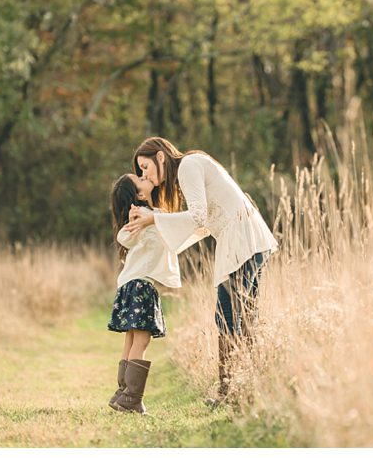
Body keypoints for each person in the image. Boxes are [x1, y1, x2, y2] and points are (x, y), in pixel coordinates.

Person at [126, 135, 279, 405]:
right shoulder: (192, 166)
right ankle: (242, 390)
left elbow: (197, 217)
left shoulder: (188, 165)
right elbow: (203, 224)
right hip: (248, 239)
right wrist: (156, 220)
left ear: (160, 157)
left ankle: (229, 392)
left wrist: (154, 218)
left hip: (241, 240)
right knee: (241, 319)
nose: (144, 174)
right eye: (140, 171)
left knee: (229, 316)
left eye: (145, 166)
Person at [107, 170, 180, 414]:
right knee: (142, 339)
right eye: (139, 179)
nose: (144, 176)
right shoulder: (151, 215)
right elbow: (173, 222)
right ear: (139, 193)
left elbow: (123, 237)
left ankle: (122, 393)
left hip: (128, 284)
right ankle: (131, 398)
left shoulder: (142, 217)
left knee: (131, 337)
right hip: (140, 285)